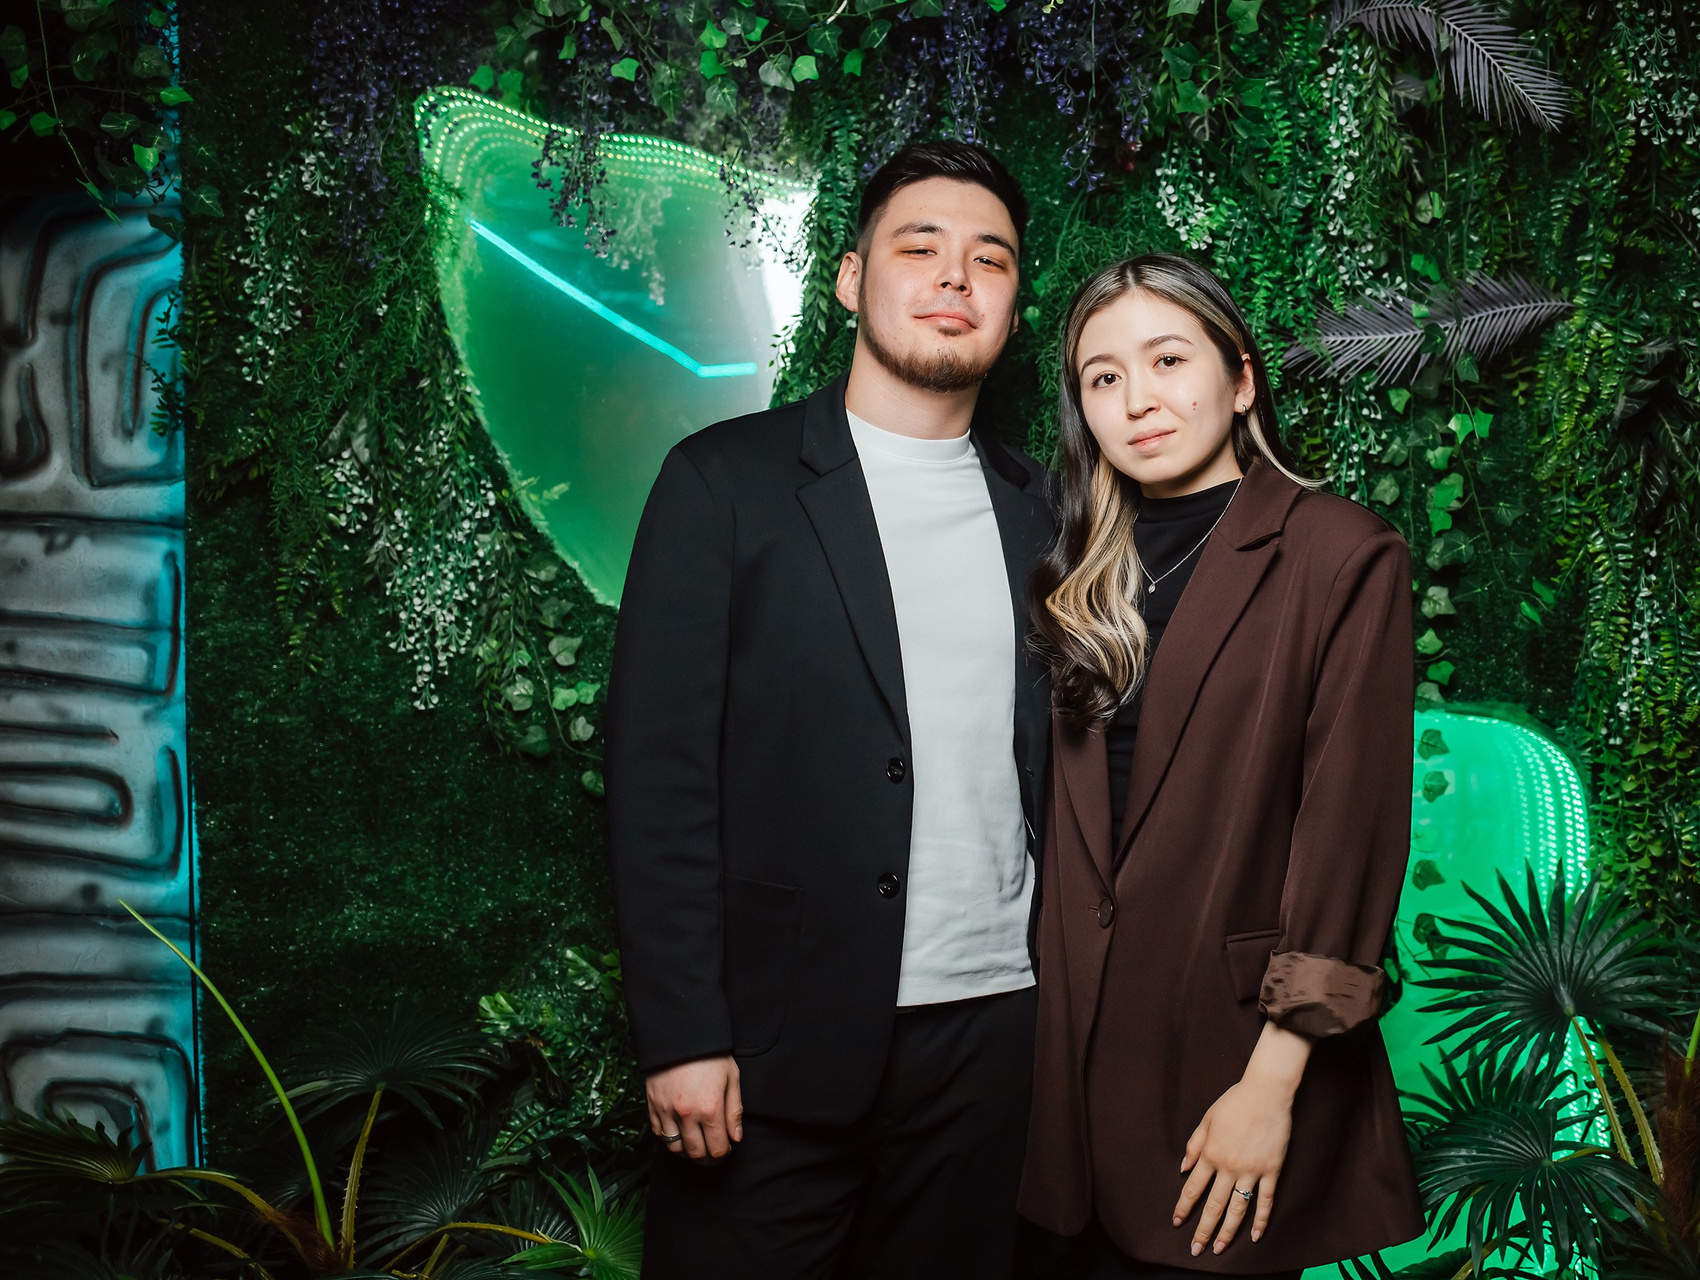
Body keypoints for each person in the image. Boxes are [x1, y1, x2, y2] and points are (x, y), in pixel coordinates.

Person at [604, 140, 1053, 1280]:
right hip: (770, 1046)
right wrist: (682, 1033)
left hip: (993, 1037)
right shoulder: (723, 483)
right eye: (921, 247)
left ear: (1013, 306)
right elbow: (659, 778)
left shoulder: (1047, 515)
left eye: (990, 259)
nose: (955, 277)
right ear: (852, 279)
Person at [1018, 254, 1423, 1277]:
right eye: (1104, 376)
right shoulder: (1073, 571)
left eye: (1167, 360)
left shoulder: (1340, 553)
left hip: (1229, 1062)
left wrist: (1272, 1083)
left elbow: (1349, 835)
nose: (1137, 399)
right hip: (1063, 1074)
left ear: (1240, 379)